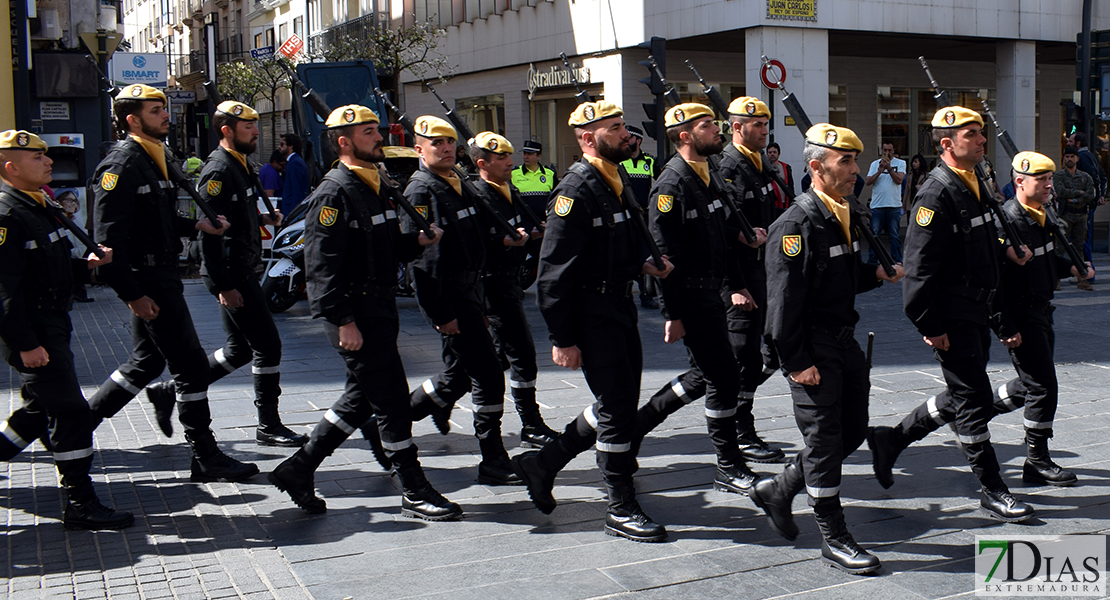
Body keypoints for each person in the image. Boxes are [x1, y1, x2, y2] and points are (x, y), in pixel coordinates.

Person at [268, 105, 458, 519]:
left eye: (377, 130)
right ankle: (413, 486)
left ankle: (298, 469)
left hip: (380, 306)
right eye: (369, 132)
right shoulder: (334, 192)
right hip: (356, 311)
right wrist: (342, 321)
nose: (378, 137)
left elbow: (386, 248)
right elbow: (321, 265)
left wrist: (419, 244)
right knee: (390, 400)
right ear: (344, 142)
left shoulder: (376, 183)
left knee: (359, 399)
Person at [871, 152, 1089, 496]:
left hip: (1034, 311)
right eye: (1042, 180)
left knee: (986, 392)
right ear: (1020, 181)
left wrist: (1071, 269)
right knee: (1036, 386)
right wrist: (1002, 324)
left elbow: (1041, 264)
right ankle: (1020, 470)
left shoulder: (1043, 215)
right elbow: (941, 269)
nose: (1050, 185)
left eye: (1050, 180)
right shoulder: (1004, 219)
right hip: (1001, 313)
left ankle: (894, 439)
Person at [512, 100, 675, 543]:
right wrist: (562, 337)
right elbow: (554, 271)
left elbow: (608, 250)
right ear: (588, 138)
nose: (627, 135)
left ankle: (544, 463)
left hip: (617, 306)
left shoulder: (614, 179)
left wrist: (643, 265)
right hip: (590, 314)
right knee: (618, 408)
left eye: (624, 126)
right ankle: (619, 505)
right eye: (616, 128)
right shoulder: (576, 190)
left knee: (616, 402)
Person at [868, 106, 1036, 523]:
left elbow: (976, 246)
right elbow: (918, 271)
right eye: (973, 134)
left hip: (977, 308)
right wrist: (930, 325)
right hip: (952, 314)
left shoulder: (973, 181)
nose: (982, 141)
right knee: (973, 399)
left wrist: (1005, 251)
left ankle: (892, 439)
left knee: (967, 393)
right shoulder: (935, 194)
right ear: (947, 143)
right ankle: (993, 488)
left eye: (981, 134)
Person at [751, 123, 903, 575]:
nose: (856, 169)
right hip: (811, 346)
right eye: (846, 161)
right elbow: (782, 303)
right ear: (816, 167)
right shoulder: (795, 225)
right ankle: (833, 534)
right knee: (823, 440)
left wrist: (875, 275)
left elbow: (841, 277)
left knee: (853, 431)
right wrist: (797, 362)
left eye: (856, 160)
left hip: (843, 340)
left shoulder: (844, 212)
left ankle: (779, 489)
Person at [87, 84, 258, 483]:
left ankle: (78, 426)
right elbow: (107, 242)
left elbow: (158, 221)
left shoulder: (157, 157)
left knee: (146, 362)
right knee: (191, 366)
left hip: (162, 272)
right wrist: (133, 294)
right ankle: (205, 455)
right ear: (133, 119)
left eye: (164, 108)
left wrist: (196, 224)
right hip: (148, 279)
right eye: (155, 110)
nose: (165, 115)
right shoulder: (121, 166)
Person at [142, 101, 304, 446]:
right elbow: (210, 232)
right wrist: (222, 284)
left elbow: (232, 215)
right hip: (231, 270)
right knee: (267, 345)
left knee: (239, 350)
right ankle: (268, 425)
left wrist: (262, 219)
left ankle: (170, 390)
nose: (257, 132)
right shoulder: (217, 170)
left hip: (241, 265)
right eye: (248, 128)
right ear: (227, 130)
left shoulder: (240, 163)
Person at [0, 130, 131, 530]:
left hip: (53, 320)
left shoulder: (39, 206)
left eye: (46, 156)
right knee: (72, 412)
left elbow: (49, 269)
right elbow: (4, 289)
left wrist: (87, 266)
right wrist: (26, 345)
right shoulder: (8, 215)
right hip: (35, 328)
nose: (48, 161)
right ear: (11, 167)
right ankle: (79, 501)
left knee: (39, 411)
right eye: (37, 157)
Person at [647, 104, 760, 494]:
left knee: (705, 376)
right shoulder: (672, 185)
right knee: (724, 375)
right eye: (707, 125)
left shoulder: (707, 173)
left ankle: (637, 427)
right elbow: (666, 258)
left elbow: (722, 241)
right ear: (684, 136)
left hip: (712, 293)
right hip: (691, 298)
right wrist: (672, 313)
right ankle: (729, 464)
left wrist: (736, 284)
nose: (717, 129)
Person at [402, 116, 521, 486]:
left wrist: (505, 241)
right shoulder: (421, 191)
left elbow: (477, 239)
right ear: (419, 149)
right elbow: (422, 263)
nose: (446, 147)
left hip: (471, 293)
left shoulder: (456, 184)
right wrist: (441, 313)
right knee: (487, 373)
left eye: (450, 141)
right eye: (436, 142)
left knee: (458, 374)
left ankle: (392, 421)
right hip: (451, 296)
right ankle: (493, 458)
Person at [469, 132, 559, 448]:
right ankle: (529, 424)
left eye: (510, 156)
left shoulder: (510, 190)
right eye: (502, 158)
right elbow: (473, 244)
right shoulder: (477, 196)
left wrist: (536, 233)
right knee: (519, 355)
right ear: (483, 164)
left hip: (510, 282)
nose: (510, 162)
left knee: (502, 360)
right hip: (491, 287)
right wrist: (503, 241)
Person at [708, 96, 785, 463]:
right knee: (741, 359)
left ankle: (741, 426)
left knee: (754, 358)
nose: (764, 130)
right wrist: (733, 286)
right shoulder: (727, 167)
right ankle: (738, 433)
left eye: (765, 124)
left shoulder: (760, 166)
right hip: (737, 277)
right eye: (757, 125)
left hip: (760, 271)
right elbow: (721, 228)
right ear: (737, 127)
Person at [620, 125, 662, 309]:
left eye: (629, 138)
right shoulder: (619, 162)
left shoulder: (650, 162)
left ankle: (646, 295)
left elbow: (661, 184)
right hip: (625, 216)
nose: (626, 140)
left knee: (645, 253)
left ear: (638, 141)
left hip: (643, 216)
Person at [1053, 146, 1096, 291]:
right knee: (1059, 248)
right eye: (1067, 156)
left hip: (1081, 216)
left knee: (1079, 248)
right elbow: (1060, 191)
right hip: (1065, 216)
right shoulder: (1059, 176)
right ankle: (1056, 280)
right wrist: (1078, 192)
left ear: (1077, 158)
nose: (1069, 159)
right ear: (1063, 158)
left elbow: (1090, 194)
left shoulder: (1085, 177)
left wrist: (1075, 200)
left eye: (1072, 156)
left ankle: (1082, 279)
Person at [1069, 132, 1106, 280]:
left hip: (1083, 206)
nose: (1069, 143)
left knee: (1081, 238)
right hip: (1088, 204)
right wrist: (1100, 195)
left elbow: (1093, 179)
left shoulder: (1083, 157)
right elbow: (1102, 177)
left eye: (1071, 141)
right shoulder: (1092, 156)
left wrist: (1088, 198)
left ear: (1078, 144)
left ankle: (1087, 273)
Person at [864, 141, 906, 264]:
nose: (887, 153)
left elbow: (899, 180)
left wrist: (889, 169)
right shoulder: (874, 164)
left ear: (893, 151)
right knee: (875, 234)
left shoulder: (901, 163)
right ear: (881, 150)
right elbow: (868, 182)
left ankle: (896, 259)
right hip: (878, 205)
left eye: (889, 150)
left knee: (894, 235)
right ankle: (873, 259)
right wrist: (879, 171)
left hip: (893, 205)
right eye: (885, 150)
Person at [511, 140, 558, 218]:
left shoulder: (549, 173)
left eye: (529, 154)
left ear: (538, 156)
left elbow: (557, 198)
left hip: (544, 220)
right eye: (524, 153)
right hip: (524, 221)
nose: (526, 157)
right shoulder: (514, 174)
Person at [279, 133, 309, 216]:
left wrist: (294, 214)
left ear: (290, 146)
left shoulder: (295, 163)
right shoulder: (292, 162)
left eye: (282, 144)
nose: (279, 147)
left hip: (291, 211)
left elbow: (297, 190)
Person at [766, 142, 794, 209]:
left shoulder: (786, 167)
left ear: (778, 154)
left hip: (785, 202)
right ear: (767, 154)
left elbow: (790, 185)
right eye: (770, 152)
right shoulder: (764, 169)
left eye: (774, 152)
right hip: (771, 204)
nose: (772, 154)